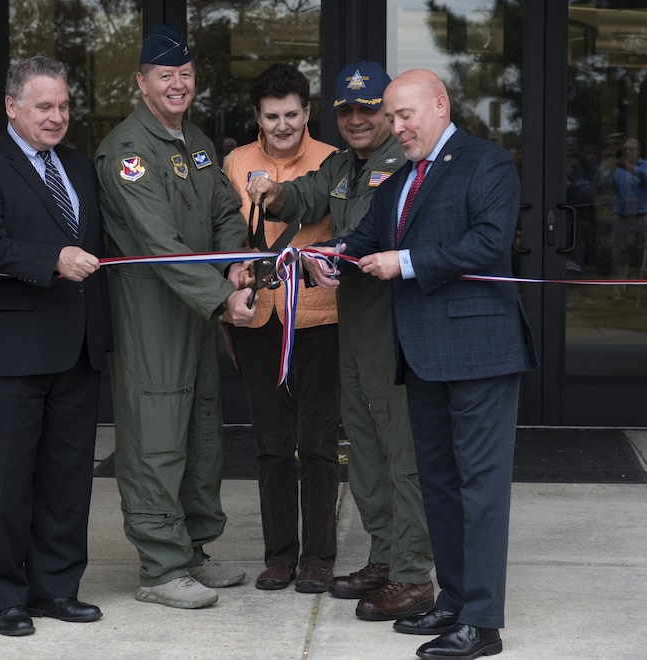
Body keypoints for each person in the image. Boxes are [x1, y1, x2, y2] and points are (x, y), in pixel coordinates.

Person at [308, 68, 538, 660]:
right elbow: (364, 236)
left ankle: (482, 623)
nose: (396, 127)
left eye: (406, 115)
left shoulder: (486, 163)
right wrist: (330, 256)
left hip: (482, 351)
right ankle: (454, 601)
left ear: (440, 105)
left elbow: (488, 243)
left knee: (480, 487)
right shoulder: (403, 179)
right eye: (393, 117)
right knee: (438, 484)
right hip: (424, 355)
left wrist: (403, 262)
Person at [245, 61, 434, 621]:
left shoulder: (403, 164)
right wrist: (270, 192)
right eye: (346, 109)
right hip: (352, 331)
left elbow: (380, 238)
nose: (356, 119)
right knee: (369, 453)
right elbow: (300, 198)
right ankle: (382, 556)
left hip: (394, 334)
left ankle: (411, 572)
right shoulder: (343, 167)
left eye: (369, 109)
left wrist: (335, 253)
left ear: (389, 112)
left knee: (402, 455)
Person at [0, 56, 113, 636]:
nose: (57, 116)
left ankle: (55, 589)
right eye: (44, 106)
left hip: (78, 349)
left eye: (64, 105)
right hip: (8, 352)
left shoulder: (78, 166)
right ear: (12, 106)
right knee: (2, 484)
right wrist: (52, 258)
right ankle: (3, 597)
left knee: (67, 480)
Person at [94, 24, 255, 610]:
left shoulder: (199, 144)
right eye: (165, 75)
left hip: (198, 309)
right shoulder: (128, 153)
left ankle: (193, 552)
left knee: (200, 432)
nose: (177, 84)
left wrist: (235, 265)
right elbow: (158, 244)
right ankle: (159, 569)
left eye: (185, 75)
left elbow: (226, 213)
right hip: (153, 313)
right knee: (156, 436)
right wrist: (220, 296)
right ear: (141, 83)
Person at [221, 63, 340, 593]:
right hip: (257, 320)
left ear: (307, 112)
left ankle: (317, 557)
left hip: (319, 319)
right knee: (270, 441)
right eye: (272, 116)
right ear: (257, 116)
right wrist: (232, 274)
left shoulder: (333, 163)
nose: (283, 125)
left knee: (316, 440)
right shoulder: (235, 163)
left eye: (292, 114)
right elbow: (223, 235)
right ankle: (279, 554)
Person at [608, 138, 647, 302]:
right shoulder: (617, 168)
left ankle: (644, 292)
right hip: (622, 217)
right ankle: (619, 292)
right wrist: (610, 170)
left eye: (631, 149)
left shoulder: (644, 165)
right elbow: (603, 184)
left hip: (642, 216)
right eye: (625, 149)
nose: (628, 152)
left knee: (644, 255)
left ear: (638, 151)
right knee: (620, 255)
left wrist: (631, 168)